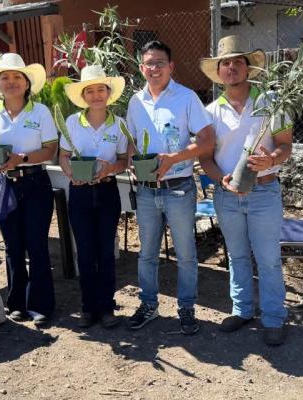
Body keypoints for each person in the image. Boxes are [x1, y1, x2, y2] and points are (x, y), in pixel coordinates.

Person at [198, 35, 294, 346]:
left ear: (247, 68)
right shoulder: (210, 111)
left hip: (264, 193)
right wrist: (220, 179)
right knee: (237, 256)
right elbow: (204, 157)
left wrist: (271, 159)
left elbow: (286, 146)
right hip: (226, 197)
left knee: (268, 259)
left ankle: (274, 317)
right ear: (220, 71)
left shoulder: (272, 102)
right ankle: (242, 310)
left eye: (238, 61)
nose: (232, 67)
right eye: (226, 62)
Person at [125, 41, 215, 335]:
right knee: (146, 254)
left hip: (179, 189)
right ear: (141, 68)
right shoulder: (135, 102)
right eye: (149, 63)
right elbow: (131, 142)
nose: (154, 68)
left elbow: (206, 139)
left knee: (186, 255)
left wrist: (174, 158)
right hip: (147, 190)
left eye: (160, 63)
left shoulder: (186, 98)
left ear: (171, 66)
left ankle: (186, 308)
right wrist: (130, 162)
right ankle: (148, 305)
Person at [0, 53, 58, 327]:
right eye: (5, 78)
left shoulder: (40, 112)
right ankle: (16, 303)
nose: (11, 82)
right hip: (2, 184)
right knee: (12, 247)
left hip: (34, 183)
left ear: (26, 82)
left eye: (17, 77)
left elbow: (50, 150)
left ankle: (41, 304)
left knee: (36, 245)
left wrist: (20, 157)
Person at [59, 65, 129, 329]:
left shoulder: (119, 124)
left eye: (101, 89)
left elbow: (124, 160)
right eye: (91, 90)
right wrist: (69, 174)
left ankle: (107, 307)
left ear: (109, 94)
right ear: (84, 96)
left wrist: (112, 168)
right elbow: (63, 156)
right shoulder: (72, 123)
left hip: (107, 191)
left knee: (106, 252)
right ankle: (88, 307)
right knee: (86, 252)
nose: (97, 95)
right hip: (80, 192)